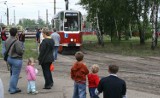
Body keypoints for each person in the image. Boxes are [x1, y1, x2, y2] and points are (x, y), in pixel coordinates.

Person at [5, 27, 24, 94]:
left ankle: (12, 87)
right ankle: (13, 89)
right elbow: (20, 52)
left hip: (9, 58)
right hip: (16, 59)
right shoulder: (17, 42)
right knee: (15, 75)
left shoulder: (7, 40)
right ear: (16, 33)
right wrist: (23, 50)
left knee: (12, 74)